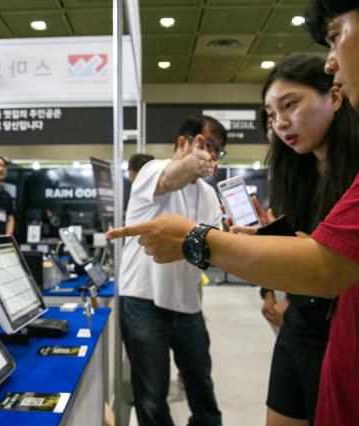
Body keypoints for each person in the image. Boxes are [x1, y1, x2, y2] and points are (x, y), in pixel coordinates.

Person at [107, 0, 359, 424]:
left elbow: (328, 267)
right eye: (271, 113)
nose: (332, 63)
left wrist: (195, 239)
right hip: (343, 357)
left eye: (336, 37)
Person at [246, 54, 359, 426]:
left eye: (290, 105)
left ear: (334, 97)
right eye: (272, 114)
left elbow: (342, 261)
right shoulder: (293, 168)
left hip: (355, 337)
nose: (281, 122)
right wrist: (270, 287)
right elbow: (297, 245)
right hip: (299, 327)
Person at [120, 115, 226, 426]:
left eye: (218, 150)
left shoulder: (207, 194)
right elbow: (169, 178)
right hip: (143, 300)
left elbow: (213, 250)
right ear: (183, 143)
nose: (212, 155)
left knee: (201, 385)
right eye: (207, 145)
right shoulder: (153, 171)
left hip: (188, 306)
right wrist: (190, 164)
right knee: (152, 395)